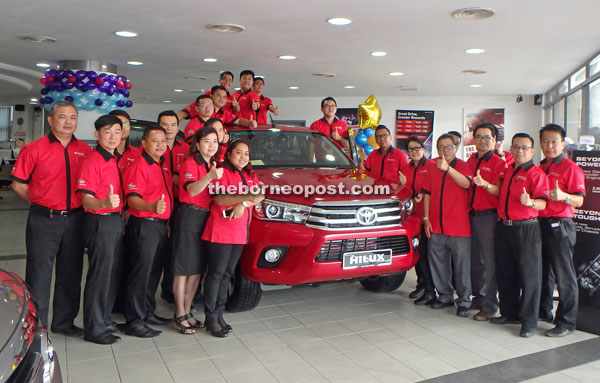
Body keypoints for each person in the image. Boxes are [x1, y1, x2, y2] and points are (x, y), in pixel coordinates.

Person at [11, 100, 92, 333]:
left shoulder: (85, 151)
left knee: (71, 271)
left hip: (75, 219)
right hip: (44, 219)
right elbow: (18, 185)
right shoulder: (34, 149)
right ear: (50, 120)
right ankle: (38, 325)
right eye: (63, 117)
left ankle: (64, 322)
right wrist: (42, 200)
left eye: (73, 117)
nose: (68, 122)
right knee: (39, 273)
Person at [201, 139, 264, 337]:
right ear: (229, 154)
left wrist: (243, 204)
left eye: (246, 153)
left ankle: (219, 315)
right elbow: (220, 198)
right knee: (216, 275)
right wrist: (246, 198)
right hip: (220, 231)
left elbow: (261, 193)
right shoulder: (222, 172)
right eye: (239, 152)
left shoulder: (248, 173)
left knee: (227, 275)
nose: (243, 157)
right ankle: (211, 318)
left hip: (239, 232)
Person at [492, 133, 548, 338]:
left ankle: (529, 321)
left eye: (524, 147)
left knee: (529, 276)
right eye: (516, 147)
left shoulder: (537, 174)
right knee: (506, 272)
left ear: (532, 151)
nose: (520, 151)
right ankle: (509, 313)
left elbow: (543, 203)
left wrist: (530, 202)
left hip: (527, 229)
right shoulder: (508, 171)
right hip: (504, 227)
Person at [122, 125, 173, 338]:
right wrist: (152, 207)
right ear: (143, 143)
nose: (160, 144)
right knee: (140, 275)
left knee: (153, 274)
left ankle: (148, 312)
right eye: (155, 141)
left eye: (163, 140)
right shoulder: (139, 166)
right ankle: (134, 321)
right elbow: (132, 199)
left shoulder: (163, 165)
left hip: (160, 226)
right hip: (144, 225)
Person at [77, 114, 124, 345]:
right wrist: (104, 203)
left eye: (117, 131)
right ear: (97, 134)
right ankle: (93, 328)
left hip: (114, 220)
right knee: (99, 275)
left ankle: (103, 319)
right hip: (99, 220)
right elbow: (86, 200)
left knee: (111, 274)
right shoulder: (92, 161)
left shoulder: (114, 159)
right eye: (107, 131)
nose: (113, 136)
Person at [171, 127, 223, 334]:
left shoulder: (213, 164)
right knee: (183, 268)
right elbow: (191, 189)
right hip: (190, 215)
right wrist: (210, 177)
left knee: (196, 269)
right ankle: (179, 313)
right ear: (198, 144)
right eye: (207, 141)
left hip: (206, 217)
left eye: (215, 142)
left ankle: (188, 311)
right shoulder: (191, 163)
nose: (211, 146)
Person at [538, 124, 585, 337]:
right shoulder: (539, 167)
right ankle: (543, 312)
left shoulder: (571, 168)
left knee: (564, 275)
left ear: (563, 144)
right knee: (543, 272)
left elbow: (580, 200)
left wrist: (564, 196)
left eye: (554, 141)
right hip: (540, 224)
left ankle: (566, 321)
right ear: (540, 144)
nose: (549, 146)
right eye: (545, 141)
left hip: (560, 225)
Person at [422, 134, 473, 317]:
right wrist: (426, 218)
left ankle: (464, 300)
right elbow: (427, 193)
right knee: (438, 263)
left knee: (461, 266)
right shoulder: (432, 166)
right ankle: (444, 295)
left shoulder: (463, 166)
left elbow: (466, 184)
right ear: (436, 149)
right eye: (441, 147)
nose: (445, 150)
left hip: (458, 227)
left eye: (448, 147)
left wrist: (448, 170)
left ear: (455, 148)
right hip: (436, 225)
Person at [466, 123, 507, 321]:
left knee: (489, 262)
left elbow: (500, 191)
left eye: (487, 137)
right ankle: (478, 297)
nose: (482, 141)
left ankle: (490, 305)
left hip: (489, 217)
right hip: (471, 216)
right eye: (479, 137)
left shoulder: (499, 163)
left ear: (494, 140)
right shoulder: (471, 159)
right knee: (475, 260)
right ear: (473, 139)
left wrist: (486, 185)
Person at [154, 110, 190, 305]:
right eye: (164, 124)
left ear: (178, 127)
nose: (168, 129)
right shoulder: (150, 149)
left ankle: (168, 291)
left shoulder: (185, 149)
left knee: (175, 249)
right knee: (155, 251)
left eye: (172, 124)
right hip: (153, 205)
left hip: (179, 204)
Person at [400, 136, 436, 305]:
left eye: (417, 148)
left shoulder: (432, 166)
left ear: (423, 149)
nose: (414, 152)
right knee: (418, 254)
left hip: (429, 218)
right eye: (410, 149)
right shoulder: (405, 168)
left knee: (427, 256)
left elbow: (436, 190)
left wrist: (423, 195)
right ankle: (422, 285)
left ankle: (431, 289)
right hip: (413, 219)